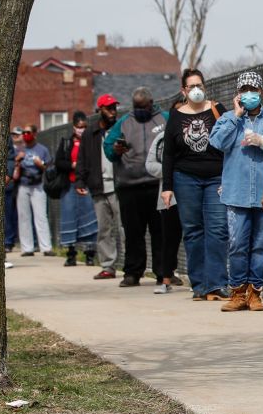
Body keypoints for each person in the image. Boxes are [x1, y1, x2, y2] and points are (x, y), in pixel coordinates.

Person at [212, 71, 263, 312]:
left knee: (259, 244)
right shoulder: (228, 118)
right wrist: (235, 116)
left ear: (261, 92)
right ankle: (238, 292)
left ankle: (255, 293)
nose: (249, 94)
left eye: (253, 89)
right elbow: (217, 143)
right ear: (237, 94)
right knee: (237, 244)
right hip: (236, 192)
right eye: (244, 90)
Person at [161, 69, 230, 301]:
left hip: (216, 177)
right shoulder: (176, 116)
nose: (196, 89)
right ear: (184, 91)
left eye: (199, 84)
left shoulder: (217, 109)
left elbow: (231, 140)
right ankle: (200, 286)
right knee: (193, 231)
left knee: (218, 229)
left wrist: (229, 177)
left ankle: (217, 283)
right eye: (191, 86)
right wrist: (167, 187)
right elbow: (169, 154)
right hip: (185, 178)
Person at [104, 87, 167, 287]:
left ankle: (163, 271)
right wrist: (115, 150)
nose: (139, 110)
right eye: (136, 107)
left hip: (157, 184)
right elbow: (108, 147)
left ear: (151, 103)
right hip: (129, 186)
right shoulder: (124, 122)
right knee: (133, 232)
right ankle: (132, 272)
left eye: (143, 106)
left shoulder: (164, 118)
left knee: (161, 232)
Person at [75, 94, 123, 278]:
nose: (112, 111)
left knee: (124, 227)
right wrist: (80, 180)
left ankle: (131, 266)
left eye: (114, 108)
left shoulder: (121, 129)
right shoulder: (90, 133)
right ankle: (108, 266)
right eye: (108, 108)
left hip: (119, 186)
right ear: (99, 110)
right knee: (104, 229)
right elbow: (82, 159)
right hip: (98, 187)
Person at [144, 121, 185, 294]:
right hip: (169, 197)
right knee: (168, 239)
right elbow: (150, 164)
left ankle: (200, 280)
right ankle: (165, 278)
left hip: (192, 194)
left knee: (196, 236)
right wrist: (170, 170)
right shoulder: (161, 139)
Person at [55, 111, 98, 267]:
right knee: (69, 218)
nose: (82, 129)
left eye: (85, 127)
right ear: (74, 127)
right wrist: (72, 165)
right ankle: (71, 253)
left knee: (89, 218)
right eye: (80, 127)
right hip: (69, 186)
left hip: (86, 185)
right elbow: (58, 162)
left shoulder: (92, 141)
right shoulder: (67, 142)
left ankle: (89, 254)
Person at [13, 125, 54, 256]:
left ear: (35, 134)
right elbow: (13, 170)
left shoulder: (42, 150)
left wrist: (40, 165)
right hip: (23, 185)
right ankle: (27, 248)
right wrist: (17, 160)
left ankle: (46, 247)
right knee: (24, 217)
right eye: (24, 132)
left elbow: (49, 169)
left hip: (38, 185)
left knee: (41, 216)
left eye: (28, 132)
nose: (26, 135)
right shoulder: (19, 150)